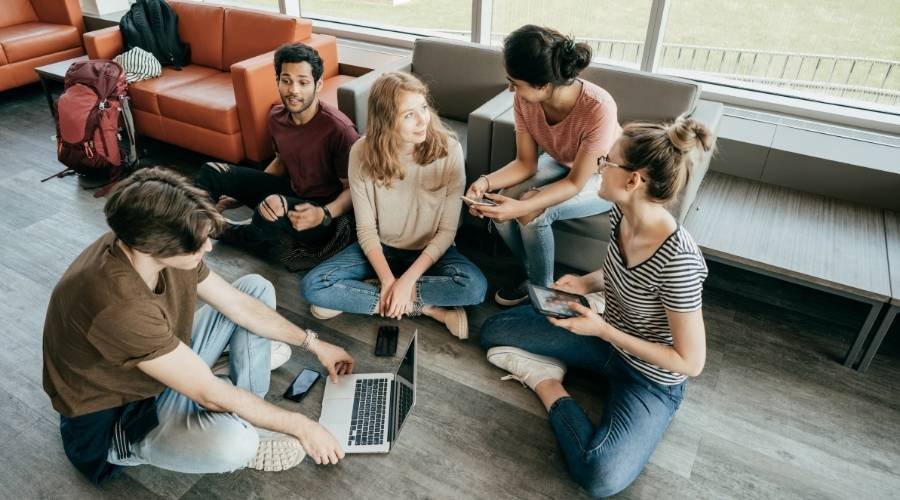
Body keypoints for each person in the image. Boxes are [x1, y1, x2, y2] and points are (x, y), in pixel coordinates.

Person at [43, 168, 355, 484]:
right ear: (156, 248)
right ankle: (214, 417)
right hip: (120, 418)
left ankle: (241, 404)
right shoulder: (116, 305)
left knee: (255, 289)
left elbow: (238, 305)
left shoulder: (147, 236)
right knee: (237, 445)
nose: (208, 248)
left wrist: (314, 344)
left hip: (151, 370)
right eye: (200, 242)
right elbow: (207, 393)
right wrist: (302, 425)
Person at [480, 117, 714, 497]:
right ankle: (562, 361)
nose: (599, 167)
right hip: (605, 338)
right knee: (494, 331)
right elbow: (619, 268)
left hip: (650, 378)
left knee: (599, 476)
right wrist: (586, 283)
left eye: (608, 161)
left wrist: (603, 329)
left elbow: (691, 363)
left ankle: (547, 382)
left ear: (633, 180)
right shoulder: (622, 213)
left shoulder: (679, 262)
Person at [301, 72, 488, 339]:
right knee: (313, 286)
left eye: (423, 107)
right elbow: (365, 230)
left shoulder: (450, 150)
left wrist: (408, 280)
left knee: (474, 288)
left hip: (430, 250)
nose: (423, 119)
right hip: (381, 248)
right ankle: (426, 309)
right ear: (386, 120)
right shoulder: (361, 153)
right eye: (409, 114)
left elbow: (447, 232)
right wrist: (390, 281)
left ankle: (368, 295)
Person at [465, 25, 621, 306]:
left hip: (604, 175)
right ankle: (531, 272)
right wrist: (486, 182)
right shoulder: (524, 100)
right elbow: (525, 163)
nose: (511, 88)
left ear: (544, 85)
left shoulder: (598, 107)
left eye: (515, 82)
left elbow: (576, 182)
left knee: (531, 210)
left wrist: (523, 206)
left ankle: (544, 293)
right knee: (501, 201)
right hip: (561, 161)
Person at [195, 43, 359, 261]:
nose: (293, 90)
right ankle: (193, 228)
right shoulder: (276, 117)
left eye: (303, 82)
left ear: (318, 85)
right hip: (292, 191)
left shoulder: (340, 129)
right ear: (278, 81)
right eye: (286, 80)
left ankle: (226, 232)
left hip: (322, 214)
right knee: (212, 171)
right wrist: (240, 196)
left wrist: (324, 214)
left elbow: (354, 189)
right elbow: (281, 162)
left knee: (272, 205)